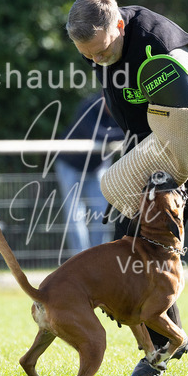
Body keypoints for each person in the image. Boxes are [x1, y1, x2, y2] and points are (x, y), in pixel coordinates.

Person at [65, 0, 188, 376]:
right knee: (129, 255)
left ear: (118, 25)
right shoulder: (102, 46)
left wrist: (178, 72)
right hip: (159, 154)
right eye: (88, 56)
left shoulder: (156, 38)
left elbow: (183, 66)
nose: (95, 60)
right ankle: (162, 349)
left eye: (100, 52)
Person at [54, 93, 121, 258]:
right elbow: (99, 135)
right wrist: (127, 132)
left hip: (96, 168)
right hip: (70, 165)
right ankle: (80, 260)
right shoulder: (88, 107)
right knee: (75, 215)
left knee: (102, 214)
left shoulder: (120, 110)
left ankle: (98, 258)